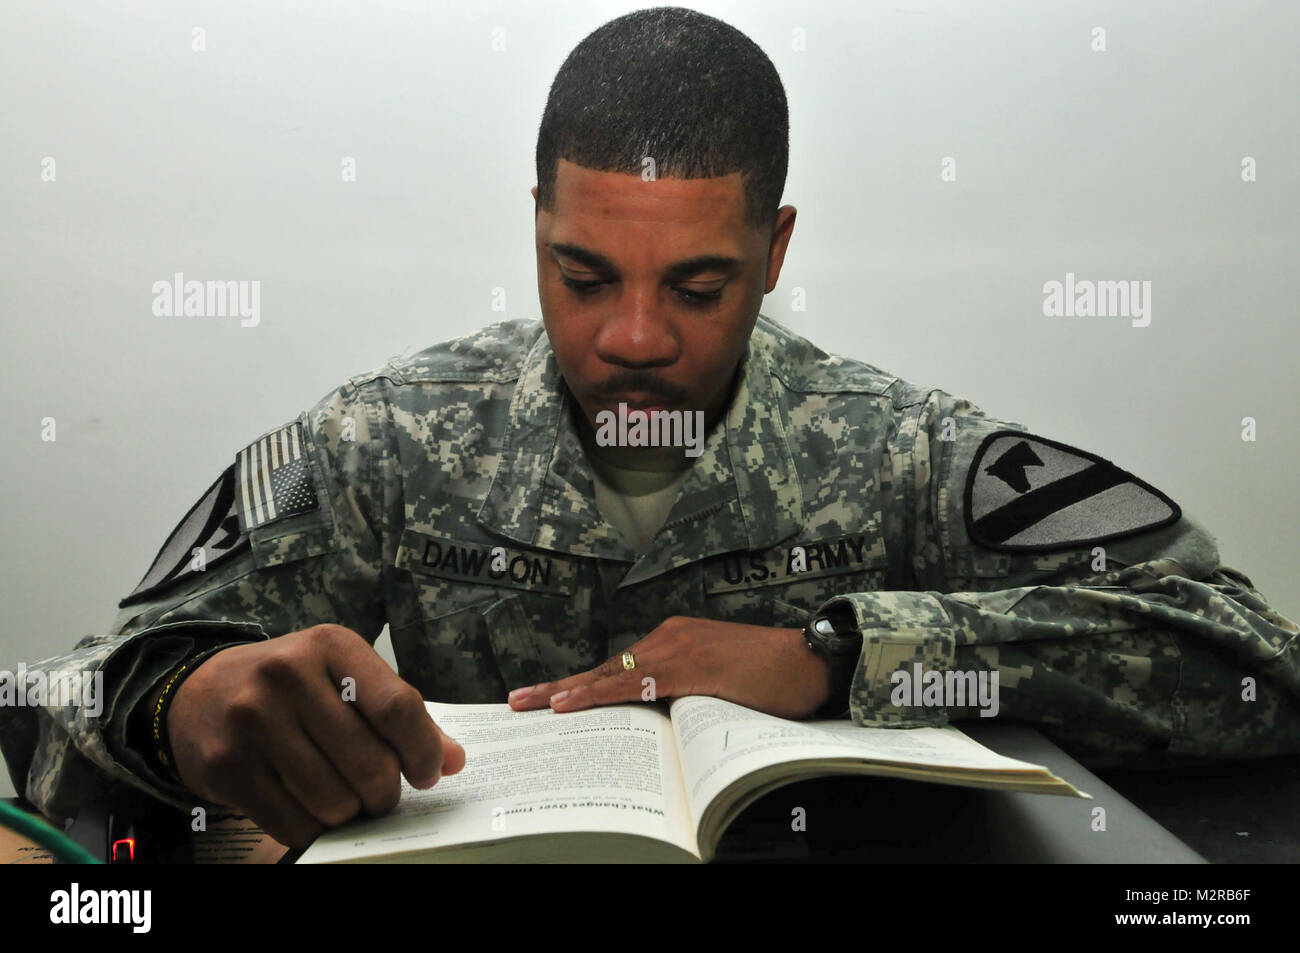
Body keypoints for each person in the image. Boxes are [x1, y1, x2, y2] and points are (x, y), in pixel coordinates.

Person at [3, 7, 1297, 851]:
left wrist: (843, 651)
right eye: (581, 275)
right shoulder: (388, 443)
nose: (631, 337)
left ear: (775, 248)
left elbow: (1254, 664)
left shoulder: (896, 451)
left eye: (697, 286)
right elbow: (48, 699)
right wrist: (180, 704)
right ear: (533, 226)